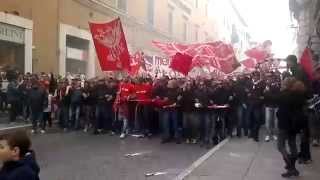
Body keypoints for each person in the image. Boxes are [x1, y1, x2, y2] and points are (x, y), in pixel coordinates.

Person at [276, 77, 307, 178]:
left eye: (284, 82)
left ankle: (291, 166)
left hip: (284, 124)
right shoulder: (299, 95)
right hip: (295, 125)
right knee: (292, 144)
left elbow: (281, 110)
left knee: (280, 146)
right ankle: (292, 168)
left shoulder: (284, 95)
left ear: (287, 84)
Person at [286, 55, 312, 164]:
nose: (287, 64)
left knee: (303, 132)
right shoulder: (296, 70)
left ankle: (306, 156)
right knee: (302, 131)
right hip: (300, 104)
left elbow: (300, 88)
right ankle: (303, 154)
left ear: (292, 62)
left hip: (302, 105)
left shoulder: (299, 72)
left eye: (288, 62)